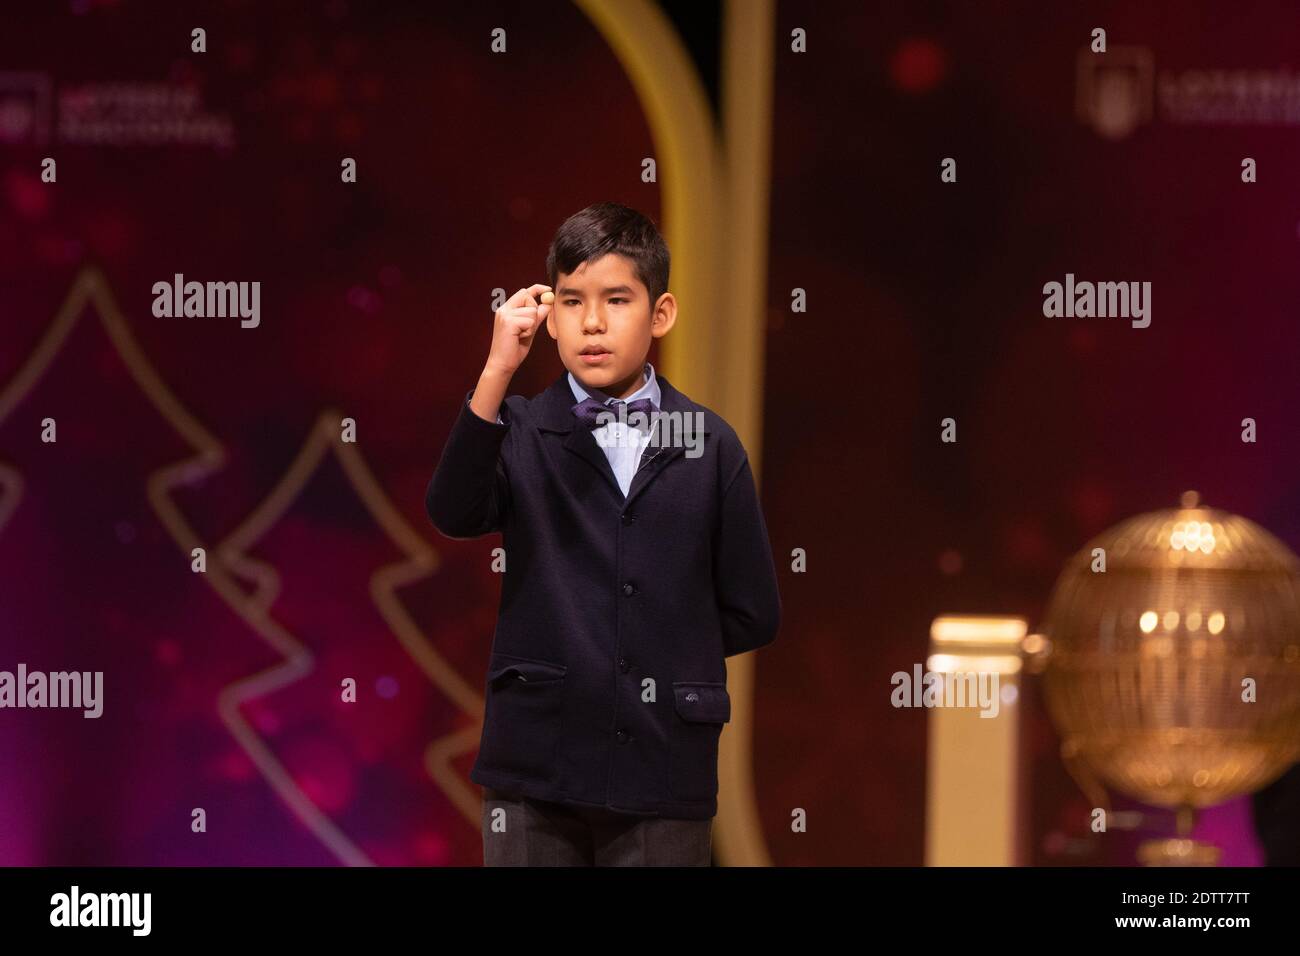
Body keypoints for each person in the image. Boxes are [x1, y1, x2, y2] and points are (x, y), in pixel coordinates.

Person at [426, 201, 781, 865]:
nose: (592, 322)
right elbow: (453, 510)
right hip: (535, 767)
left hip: (662, 765)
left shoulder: (708, 444)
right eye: (571, 300)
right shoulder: (524, 429)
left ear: (662, 313)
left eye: (617, 299)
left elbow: (753, 610)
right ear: (549, 316)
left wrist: (648, 653)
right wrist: (498, 369)